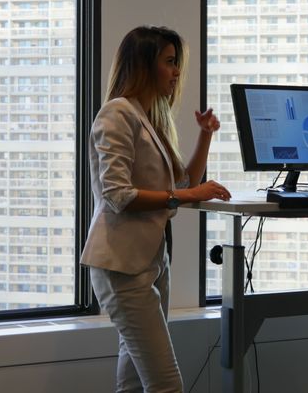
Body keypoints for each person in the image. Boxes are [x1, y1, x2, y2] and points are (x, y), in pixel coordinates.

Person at [82, 25, 231, 393]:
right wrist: (191, 195)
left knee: (134, 381)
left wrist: (205, 136)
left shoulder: (146, 117)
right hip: (121, 265)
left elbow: (181, 183)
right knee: (166, 385)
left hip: (150, 261)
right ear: (144, 65)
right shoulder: (116, 114)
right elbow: (118, 194)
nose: (177, 72)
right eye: (169, 62)